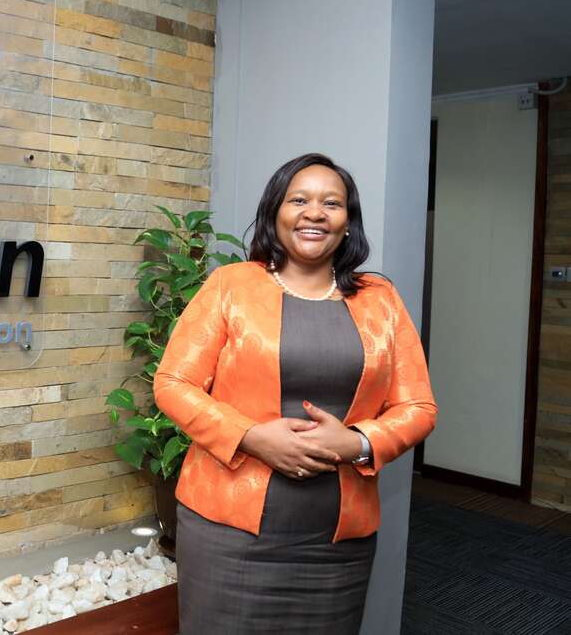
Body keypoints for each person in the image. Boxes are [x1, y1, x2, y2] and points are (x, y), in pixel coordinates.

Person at [153, 153, 437, 634]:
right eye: (299, 200)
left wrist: (358, 442)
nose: (315, 213)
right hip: (228, 533)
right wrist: (252, 437)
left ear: (348, 221)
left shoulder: (380, 299)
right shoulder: (230, 286)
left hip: (337, 543)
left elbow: (419, 407)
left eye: (332, 203)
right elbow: (173, 383)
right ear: (275, 212)